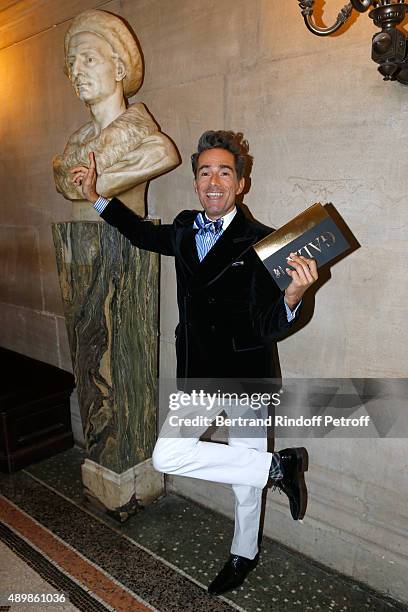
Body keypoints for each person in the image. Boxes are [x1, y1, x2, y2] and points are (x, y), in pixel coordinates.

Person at [70, 130, 318, 595]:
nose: (214, 180)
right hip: (198, 375)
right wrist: (97, 197)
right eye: (205, 172)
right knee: (169, 454)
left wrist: (293, 296)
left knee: (243, 483)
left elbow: (269, 325)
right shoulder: (185, 229)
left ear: (241, 184)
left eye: (225, 171)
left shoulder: (264, 242)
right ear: (197, 182)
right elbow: (143, 233)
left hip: (246, 376)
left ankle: (244, 553)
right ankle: (278, 468)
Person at [53, 9, 179, 213]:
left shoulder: (155, 149)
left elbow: (164, 156)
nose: (75, 71)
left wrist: (96, 183)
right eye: (71, 62)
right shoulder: (73, 150)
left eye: (89, 60)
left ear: (119, 69)